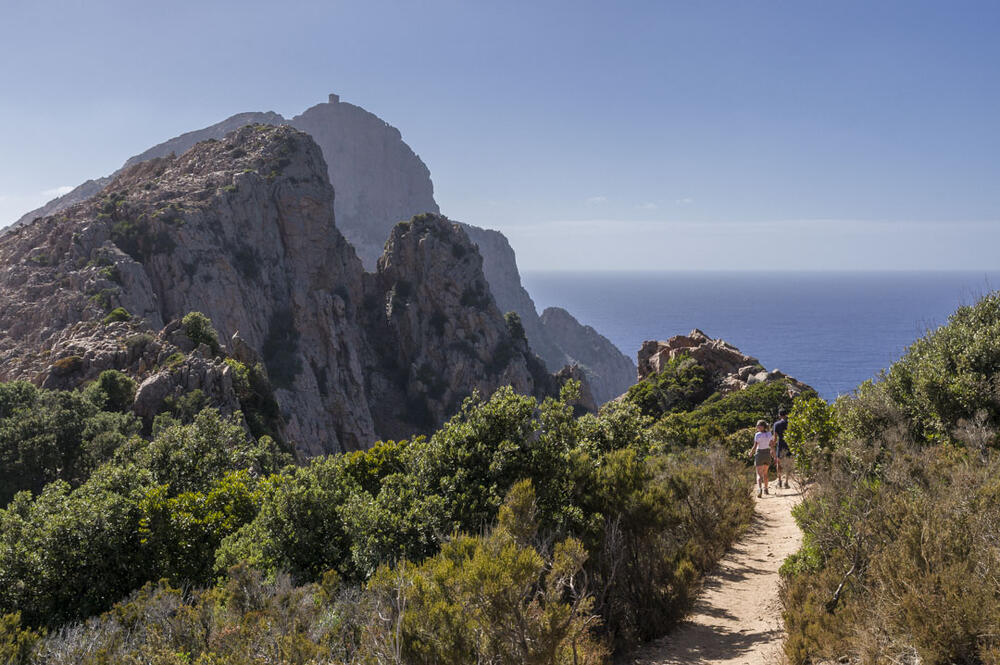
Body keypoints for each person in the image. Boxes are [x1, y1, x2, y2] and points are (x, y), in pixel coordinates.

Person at [748, 419, 775, 498]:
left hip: (759, 454)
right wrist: (773, 454)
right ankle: (766, 489)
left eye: (758, 425)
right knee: (765, 473)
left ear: (762, 426)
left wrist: (750, 453)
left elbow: (755, 446)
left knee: (759, 474)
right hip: (767, 454)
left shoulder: (757, 435)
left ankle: (760, 489)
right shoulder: (769, 434)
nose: (757, 427)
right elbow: (771, 445)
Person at [773, 408, 792, 488]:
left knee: (779, 463)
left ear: (779, 415)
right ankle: (786, 482)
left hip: (780, 444)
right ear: (786, 414)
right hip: (789, 444)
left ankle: (779, 480)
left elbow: (775, 438)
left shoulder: (776, 424)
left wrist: (772, 446)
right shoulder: (790, 423)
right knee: (788, 463)